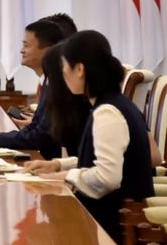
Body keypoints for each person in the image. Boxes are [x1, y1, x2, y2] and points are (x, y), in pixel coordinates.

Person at [25, 30, 154, 241]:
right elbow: (103, 159)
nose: (62, 73)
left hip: (114, 225)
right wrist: (59, 165)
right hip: (115, 215)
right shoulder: (112, 103)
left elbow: (107, 178)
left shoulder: (107, 112)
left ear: (79, 69)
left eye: (64, 66)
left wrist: (66, 176)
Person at [0, 18, 66, 159]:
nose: (21, 50)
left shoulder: (57, 84)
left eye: (26, 46)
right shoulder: (48, 80)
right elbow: (34, 128)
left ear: (47, 51)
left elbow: (41, 137)